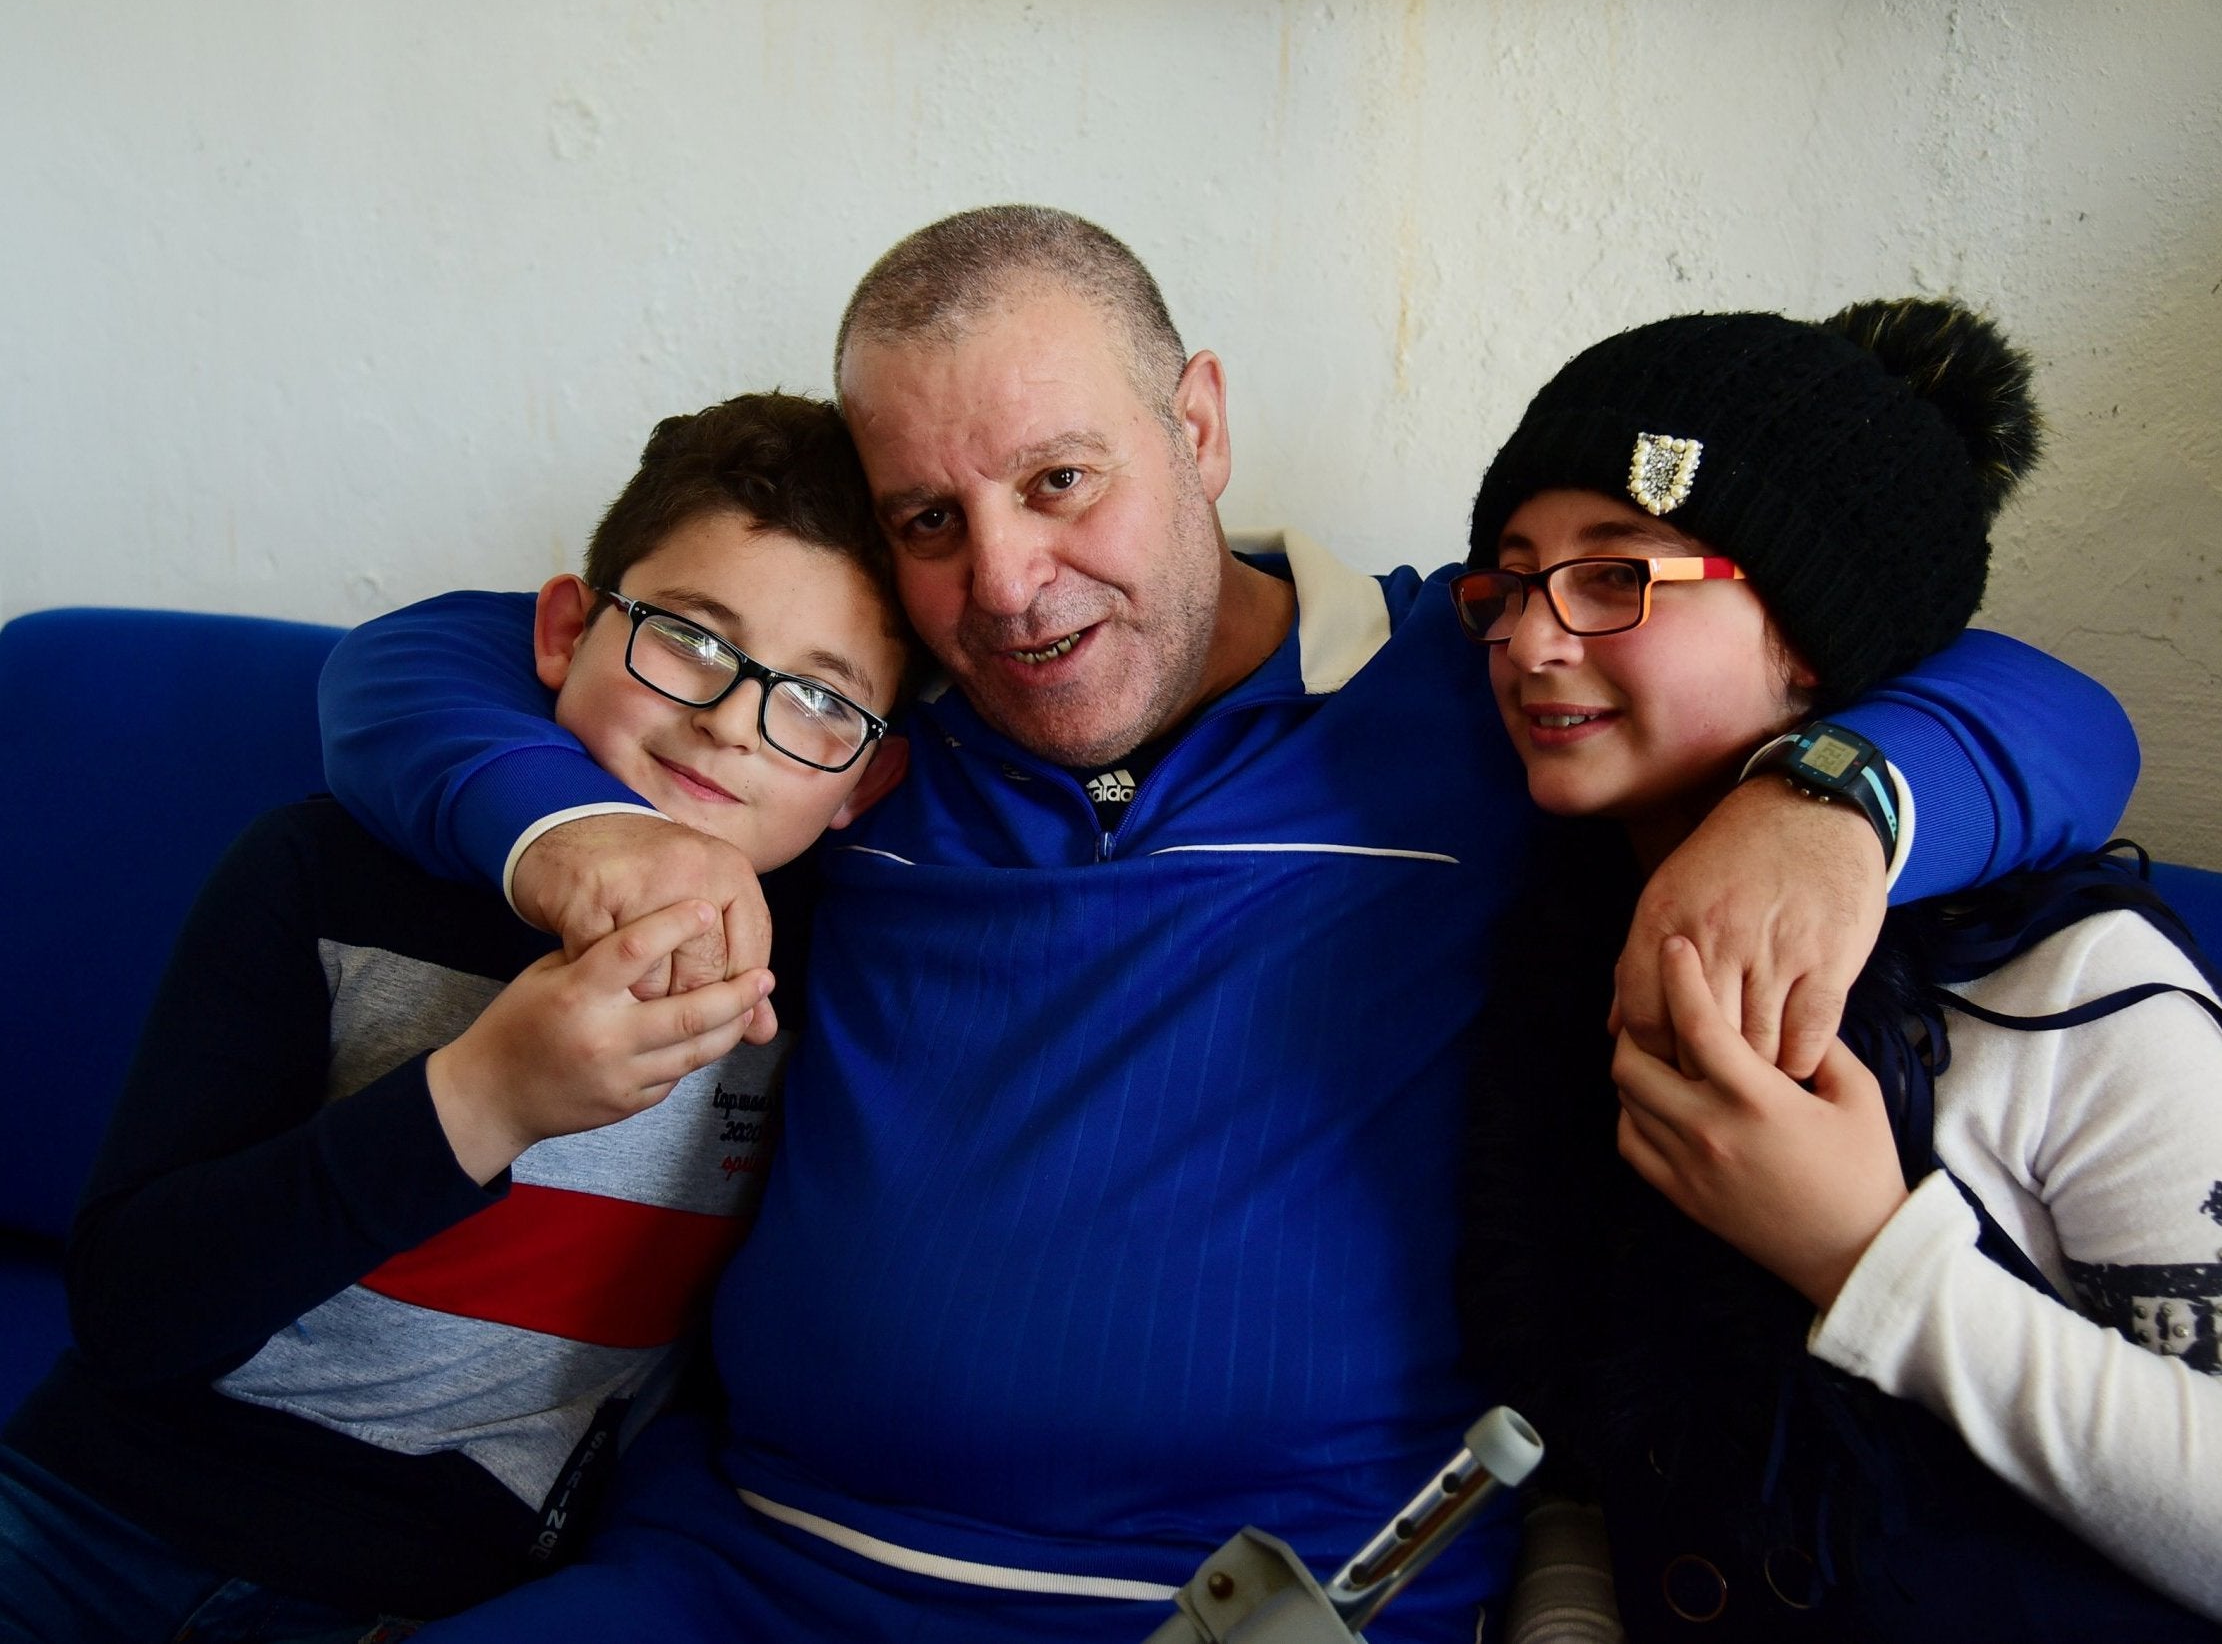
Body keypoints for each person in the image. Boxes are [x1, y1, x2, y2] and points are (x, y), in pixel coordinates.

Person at [317, 208, 2139, 1643]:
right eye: (928, 519)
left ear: (1194, 422)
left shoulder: (1474, 685)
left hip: (1264, 1605)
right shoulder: (853, 728)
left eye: (1060, 480)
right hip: (745, 1573)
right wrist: (581, 843)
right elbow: (417, 662)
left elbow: (2057, 710)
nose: (1007, 588)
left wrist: (1825, 802)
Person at [0, 392, 914, 1642]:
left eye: (820, 702)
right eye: (690, 639)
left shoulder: (835, 985)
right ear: (562, 630)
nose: (731, 721)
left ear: (869, 774)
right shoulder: (321, 872)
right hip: (87, 1507)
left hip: (416, 1593)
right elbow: (128, 1307)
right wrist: (483, 1096)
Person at [1455, 301, 2222, 1638]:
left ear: (1809, 634)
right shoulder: (1557, 963)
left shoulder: (2060, 987)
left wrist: (1866, 1256)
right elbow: (1583, 1456)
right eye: (1507, 583)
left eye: (1612, 575)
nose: (1528, 640)